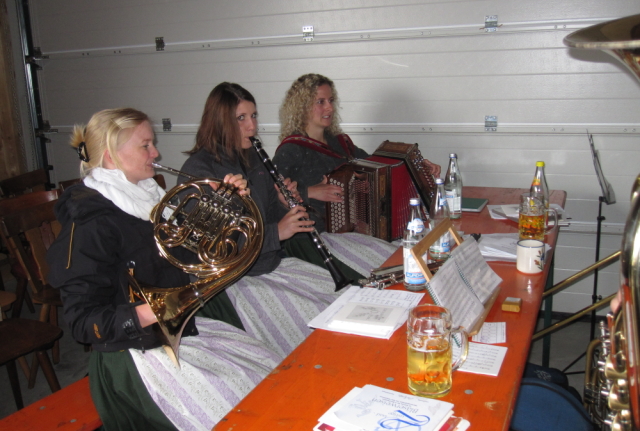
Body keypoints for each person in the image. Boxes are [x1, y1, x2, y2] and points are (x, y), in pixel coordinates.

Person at [47, 108, 283, 431]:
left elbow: (198, 253)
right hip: (133, 356)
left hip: (175, 333)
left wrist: (227, 204)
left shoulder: (150, 198)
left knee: (268, 370)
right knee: (247, 409)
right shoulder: (89, 222)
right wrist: (151, 311)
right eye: (145, 145)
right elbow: (82, 322)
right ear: (112, 157)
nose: (155, 153)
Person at [179, 82, 396, 355]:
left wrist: (284, 204)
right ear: (220, 122)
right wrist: (277, 232)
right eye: (241, 118)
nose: (252, 126)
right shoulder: (198, 171)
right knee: (323, 320)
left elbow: (269, 215)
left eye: (254, 115)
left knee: (348, 300)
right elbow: (213, 250)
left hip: (270, 264)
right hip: (237, 282)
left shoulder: (253, 157)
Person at [274, 73, 441, 234]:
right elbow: (269, 196)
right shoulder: (291, 150)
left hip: (357, 229)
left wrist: (417, 166)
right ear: (302, 107)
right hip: (317, 234)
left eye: (331, 100)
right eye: (320, 102)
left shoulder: (340, 143)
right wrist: (309, 192)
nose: (330, 107)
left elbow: (377, 166)